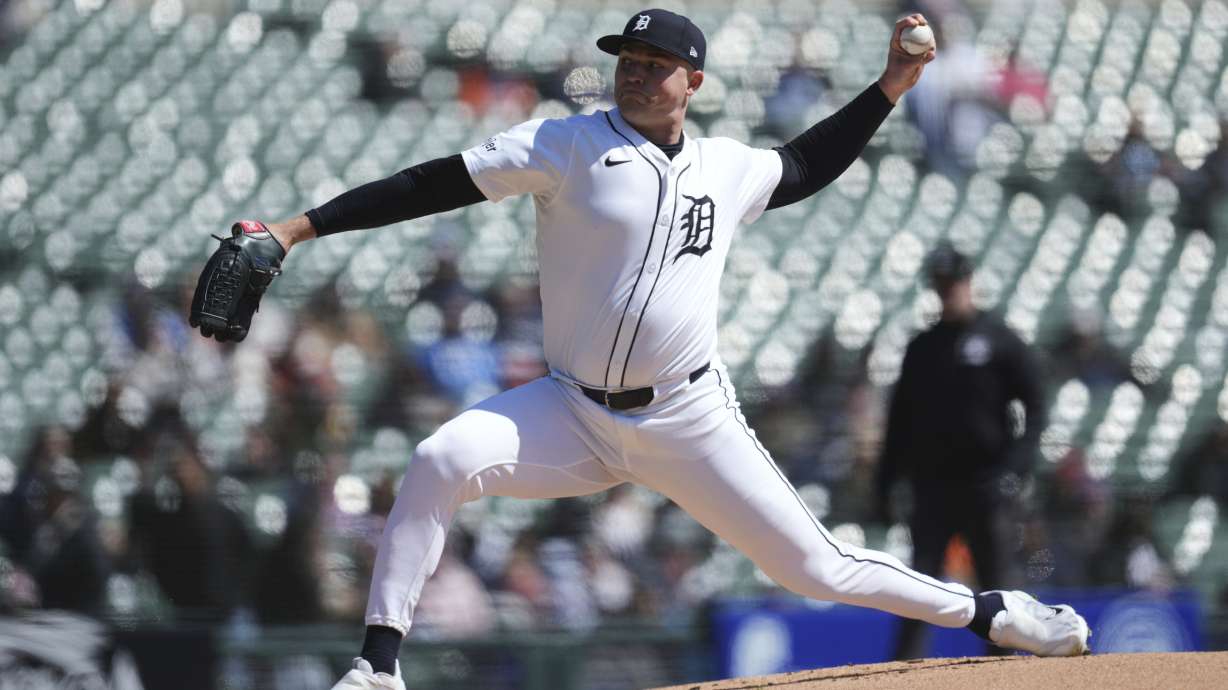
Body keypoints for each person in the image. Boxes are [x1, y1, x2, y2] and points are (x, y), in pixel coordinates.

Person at [189, 10, 1089, 689]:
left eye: (657, 65)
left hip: (689, 415)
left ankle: (993, 613)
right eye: (628, 60)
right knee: (440, 455)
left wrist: (891, 86)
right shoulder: (567, 146)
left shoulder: (727, 167)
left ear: (692, 81)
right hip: (573, 411)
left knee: (815, 568)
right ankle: (379, 667)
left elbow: (810, 163)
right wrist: (299, 229)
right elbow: (433, 184)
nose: (637, 75)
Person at [876, 241, 1050, 659]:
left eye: (953, 282)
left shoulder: (998, 339)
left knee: (997, 584)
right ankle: (904, 673)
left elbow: (1037, 403)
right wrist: (885, 483)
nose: (947, 290)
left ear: (969, 282)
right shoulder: (923, 347)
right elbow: (899, 421)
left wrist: (1017, 467)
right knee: (919, 585)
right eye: (940, 284)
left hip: (985, 482)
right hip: (931, 485)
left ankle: (1003, 672)